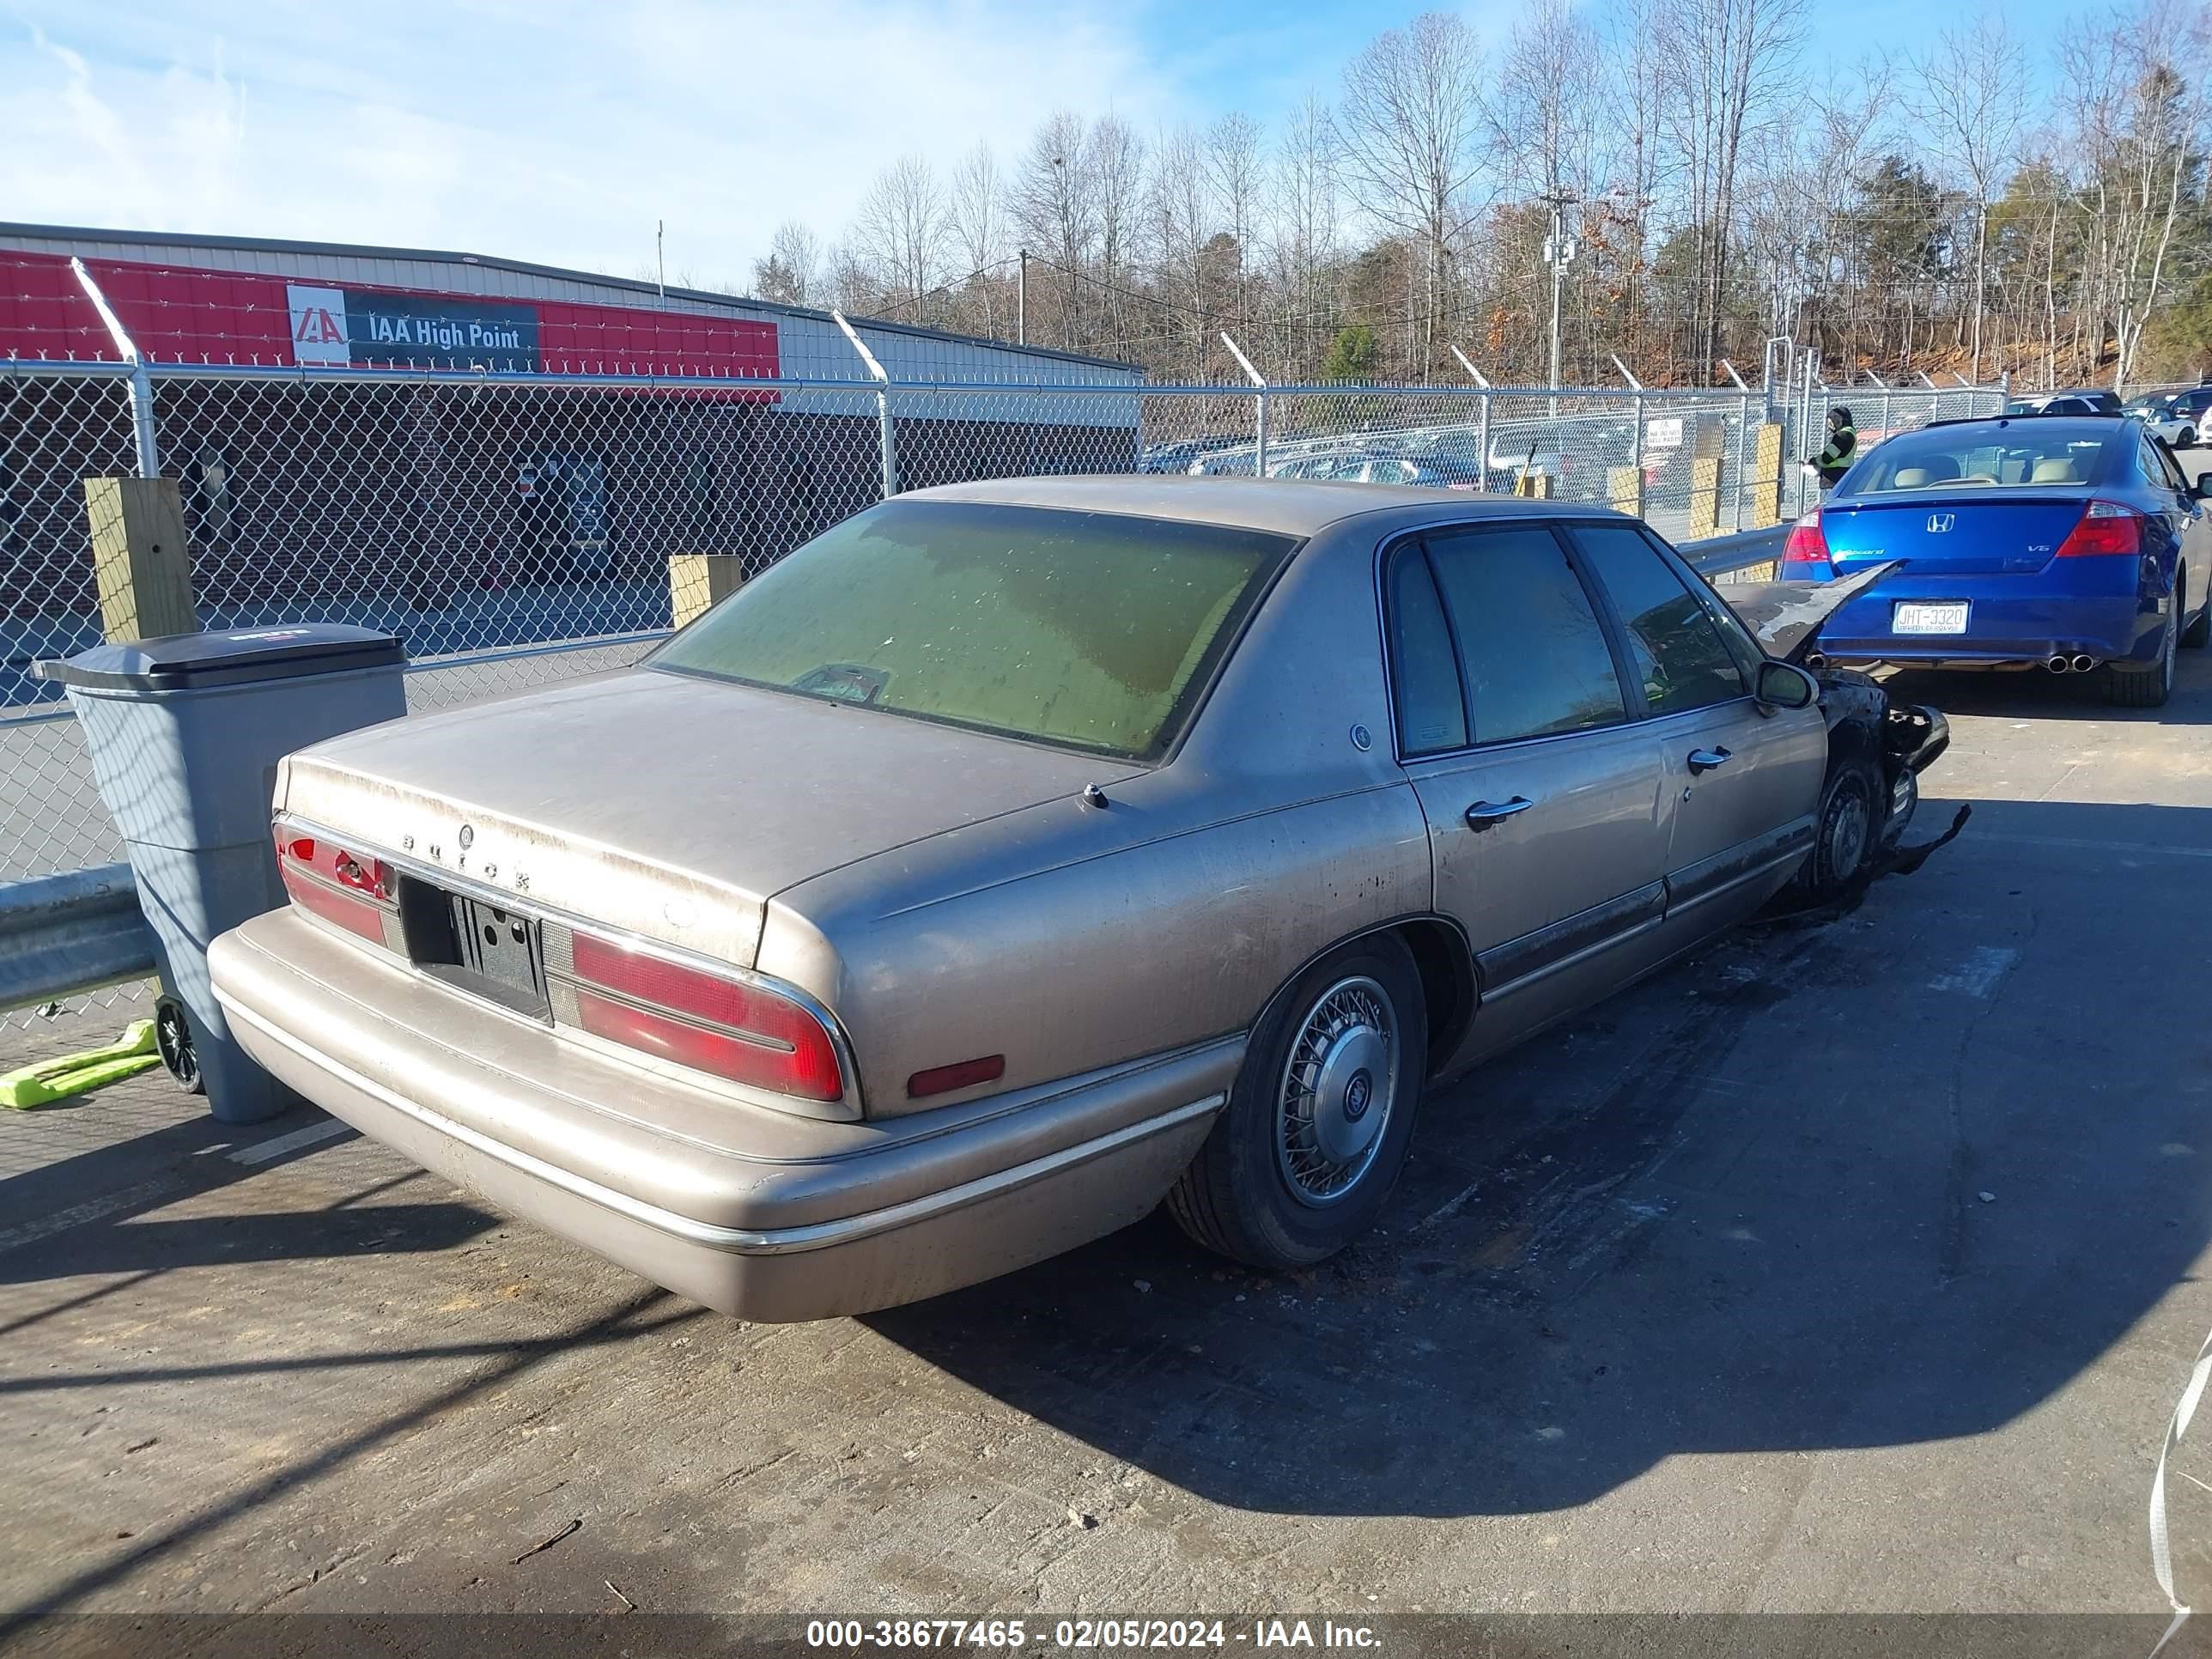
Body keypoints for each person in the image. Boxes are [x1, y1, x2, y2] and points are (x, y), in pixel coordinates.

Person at [1810, 405, 1857, 488]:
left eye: (1834, 417)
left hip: (1833, 479)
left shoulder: (1843, 435)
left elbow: (1827, 458)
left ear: (1842, 419)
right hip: (1843, 475)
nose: (1831, 421)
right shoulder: (1851, 432)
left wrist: (1813, 461)